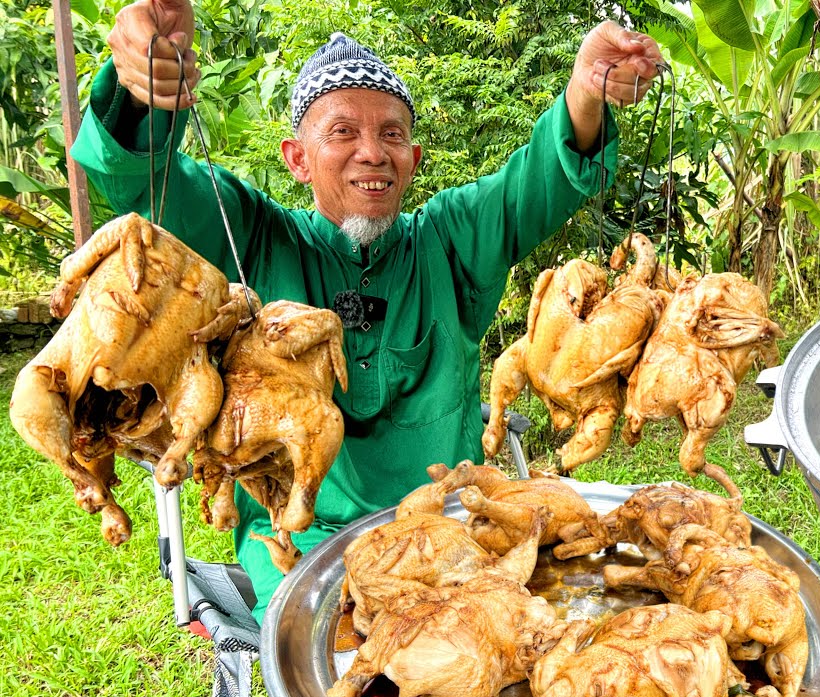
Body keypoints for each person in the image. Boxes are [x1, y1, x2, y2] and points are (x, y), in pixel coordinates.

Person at [70, 0, 664, 623]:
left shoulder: (452, 240)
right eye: (343, 132)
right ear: (297, 158)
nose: (372, 152)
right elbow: (141, 181)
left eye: (392, 134)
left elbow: (534, 182)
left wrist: (585, 89)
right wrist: (145, 88)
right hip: (304, 548)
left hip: (456, 532)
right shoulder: (252, 237)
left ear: (413, 157)